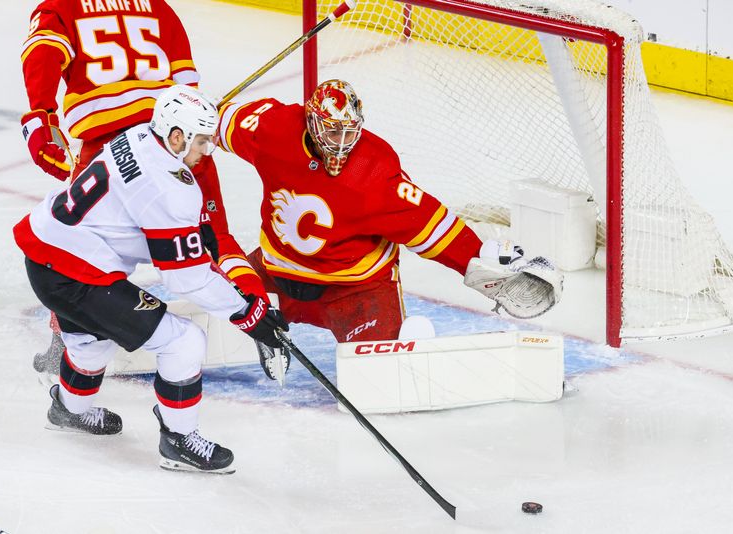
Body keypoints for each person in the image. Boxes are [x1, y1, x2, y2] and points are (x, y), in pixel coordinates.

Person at [13, 85, 287, 474]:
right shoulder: (170, 188)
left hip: (47, 254)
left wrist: (194, 234)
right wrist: (249, 315)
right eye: (202, 141)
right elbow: (187, 280)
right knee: (185, 341)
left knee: (91, 343)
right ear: (177, 136)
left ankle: (68, 410)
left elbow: (139, 215)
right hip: (75, 272)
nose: (207, 151)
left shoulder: (138, 136)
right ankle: (178, 440)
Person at [216, 79, 562, 379]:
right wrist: (190, 121)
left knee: (382, 373)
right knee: (209, 290)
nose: (341, 142)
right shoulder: (272, 128)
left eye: (349, 131)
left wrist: (476, 256)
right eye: (332, 130)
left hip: (354, 290)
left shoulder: (374, 170)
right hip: (277, 272)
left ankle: (394, 346)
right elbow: (215, 122)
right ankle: (262, 328)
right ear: (311, 122)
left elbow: (430, 224)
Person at [19, 0, 263, 375]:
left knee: (87, 240)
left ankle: (68, 348)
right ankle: (252, 313)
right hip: (176, 139)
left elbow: (43, 53)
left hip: (109, 145)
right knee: (211, 236)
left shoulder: (61, 6)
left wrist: (41, 114)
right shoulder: (159, 8)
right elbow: (186, 88)